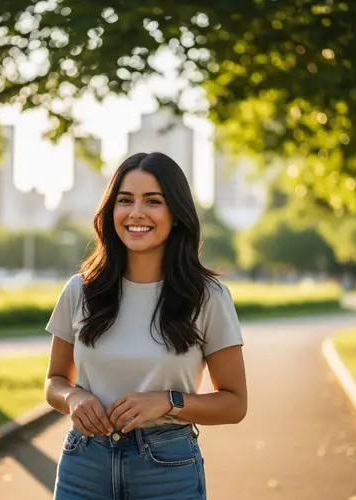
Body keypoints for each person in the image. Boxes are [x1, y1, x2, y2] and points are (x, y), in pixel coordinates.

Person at [45, 151, 247, 500]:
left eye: (152, 201)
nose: (136, 213)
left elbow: (234, 403)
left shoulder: (209, 297)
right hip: (83, 463)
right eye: (125, 200)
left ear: (176, 214)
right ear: (111, 212)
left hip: (166, 467)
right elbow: (54, 383)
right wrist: (74, 397)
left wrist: (169, 402)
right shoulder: (80, 290)